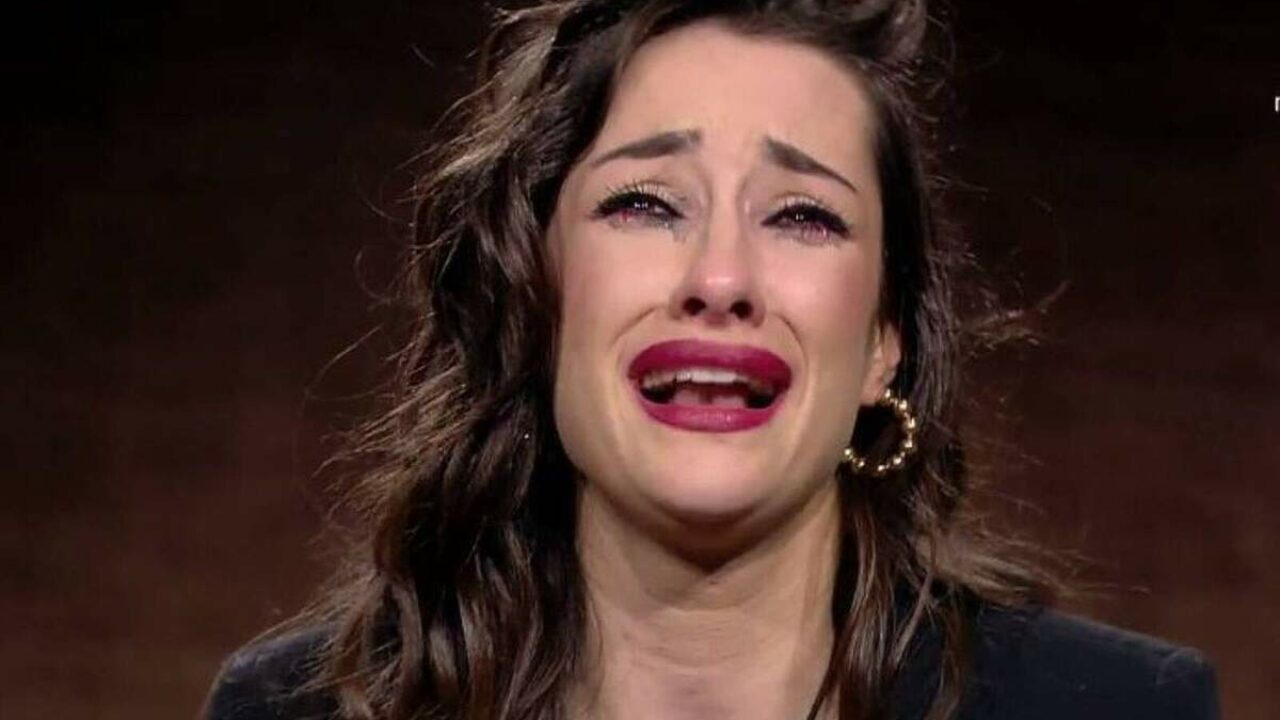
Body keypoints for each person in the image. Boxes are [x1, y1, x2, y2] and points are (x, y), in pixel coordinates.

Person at [203, 1, 1220, 719]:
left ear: (883, 342)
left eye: (803, 216)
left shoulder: (1122, 709)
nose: (720, 277)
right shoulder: (293, 712)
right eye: (646, 203)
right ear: (536, 295)